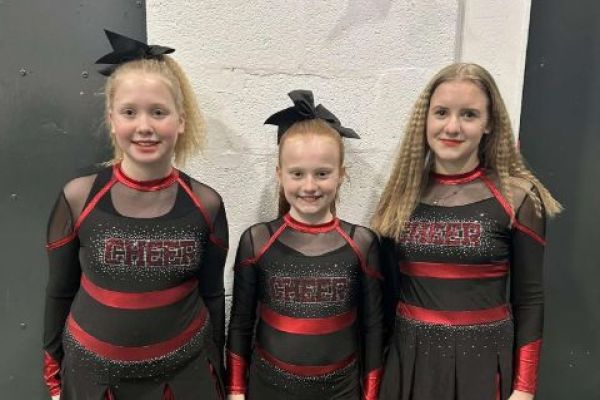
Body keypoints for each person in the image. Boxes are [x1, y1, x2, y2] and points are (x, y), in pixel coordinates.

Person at [43, 30, 228, 400]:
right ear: (112, 120)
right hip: (92, 377)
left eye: (158, 112)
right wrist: (53, 373)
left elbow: (213, 294)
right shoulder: (78, 198)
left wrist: (219, 370)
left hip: (185, 375)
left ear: (181, 121)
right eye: (130, 112)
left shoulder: (206, 204)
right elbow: (59, 291)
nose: (145, 126)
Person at [372, 63, 562, 400]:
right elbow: (385, 298)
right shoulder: (401, 194)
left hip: (483, 366)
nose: (452, 127)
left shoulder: (517, 198)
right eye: (441, 112)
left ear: (489, 123)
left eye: (469, 115)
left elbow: (530, 299)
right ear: (425, 119)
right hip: (407, 363)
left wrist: (524, 388)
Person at [225, 90, 383, 400]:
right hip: (269, 388)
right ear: (280, 175)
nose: (309, 186)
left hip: (340, 391)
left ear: (341, 175)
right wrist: (236, 390)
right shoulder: (258, 241)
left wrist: (371, 394)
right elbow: (241, 323)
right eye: (297, 174)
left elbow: (373, 328)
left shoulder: (361, 243)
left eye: (322, 174)